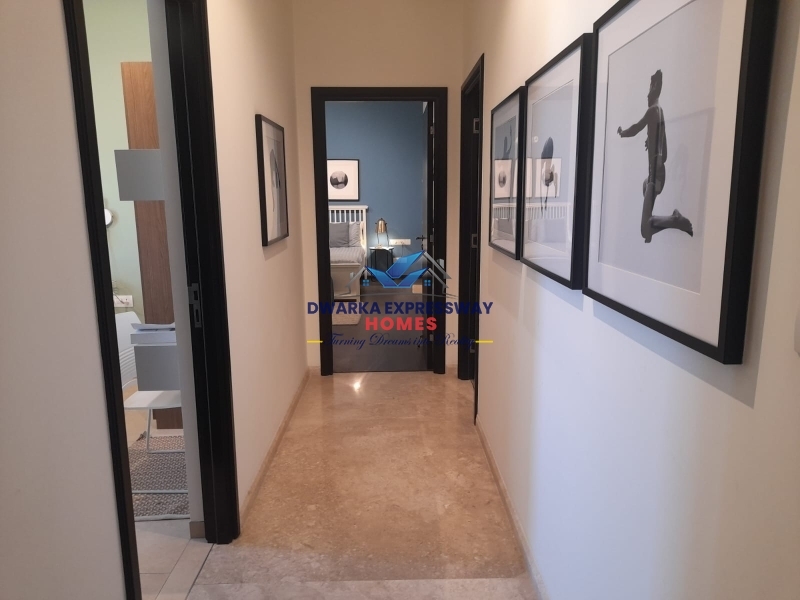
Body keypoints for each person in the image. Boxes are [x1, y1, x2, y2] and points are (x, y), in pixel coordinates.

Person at [617, 69, 693, 243]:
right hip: (658, 172)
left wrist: (622, 132)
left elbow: (636, 128)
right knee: (644, 186)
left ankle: (674, 220)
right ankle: (652, 226)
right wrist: (652, 141)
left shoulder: (652, 110)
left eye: (650, 86)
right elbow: (664, 150)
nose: (647, 93)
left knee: (644, 230)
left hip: (656, 173)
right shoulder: (660, 112)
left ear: (655, 86)